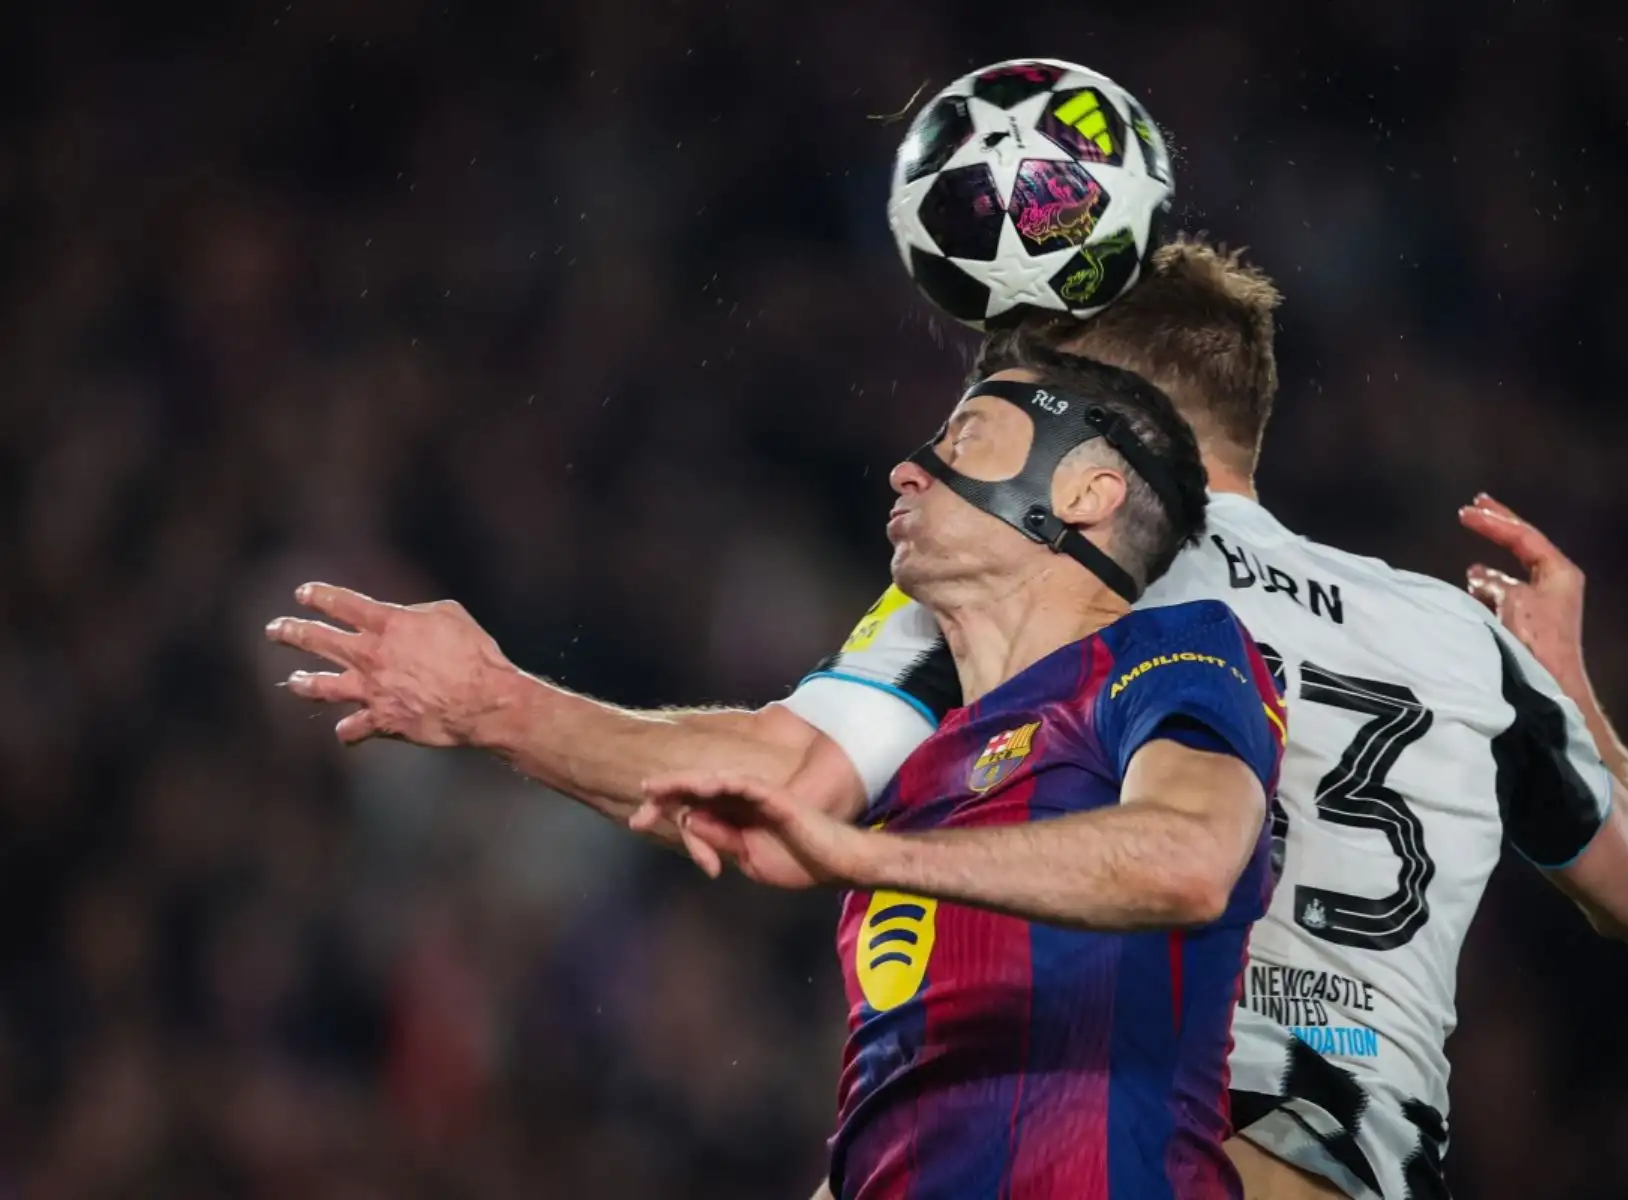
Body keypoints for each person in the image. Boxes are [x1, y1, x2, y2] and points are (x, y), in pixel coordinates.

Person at [266, 238, 1628, 1200]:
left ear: (1102, 449)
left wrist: (499, 702)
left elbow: (784, 778)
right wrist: (1569, 682)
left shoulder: (1089, 595)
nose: (948, 438)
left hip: (1172, 1141)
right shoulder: (1444, 631)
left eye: (1009, 399)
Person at [278, 340, 1289, 1197]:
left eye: (966, 439)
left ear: (1085, 491)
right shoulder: (927, 775)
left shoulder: (1176, 653)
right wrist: (490, 701)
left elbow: (1191, 858)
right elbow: (901, 1122)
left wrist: (862, 857)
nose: (908, 469)